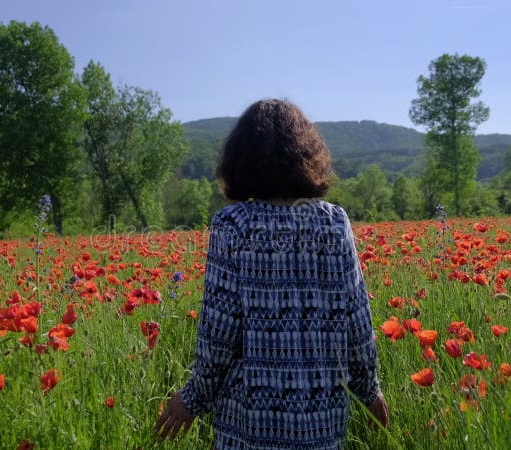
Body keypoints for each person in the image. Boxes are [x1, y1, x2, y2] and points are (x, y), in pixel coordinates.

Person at [154, 99, 388, 448]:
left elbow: (218, 331)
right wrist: (369, 391)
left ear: (242, 160)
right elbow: (356, 319)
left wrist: (192, 399)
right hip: (320, 421)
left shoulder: (234, 225)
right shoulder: (334, 222)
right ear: (307, 155)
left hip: (249, 424)